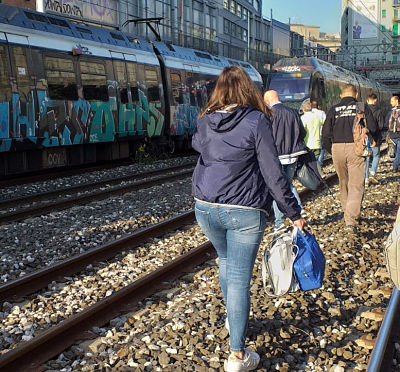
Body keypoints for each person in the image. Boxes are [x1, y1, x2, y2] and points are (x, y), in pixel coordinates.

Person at [192, 66, 306, 372]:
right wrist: (294, 213)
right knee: (240, 277)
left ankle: (233, 318)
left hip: (205, 206)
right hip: (243, 210)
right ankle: (238, 356)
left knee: (226, 262)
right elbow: (272, 172)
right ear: (248, 89)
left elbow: (198, 147)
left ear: (219, 90)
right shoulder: (256, 121)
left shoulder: (205, 119)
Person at [321, 84, 378, 235]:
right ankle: (350, 220)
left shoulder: (333, 109)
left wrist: (332, 150)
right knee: (356, 185)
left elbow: (325, 133)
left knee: (343, 183)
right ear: (356, 94)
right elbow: (373, 127)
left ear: (341, 95)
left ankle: (348, 213)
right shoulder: (361, 107)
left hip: (337, 148)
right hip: (356, 148)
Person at [263, 89, 308, 231]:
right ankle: (298, 210)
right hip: (292, 156)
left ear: (267, 101)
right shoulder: (293, 112)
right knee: (287, 185)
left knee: (278, 188)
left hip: (276, 157)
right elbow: (302, 132)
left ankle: (279, 221)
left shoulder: (268, 115)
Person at [365, 93, 384, 186]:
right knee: (376, 155)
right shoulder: (379, 111)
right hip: (376, 137)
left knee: (366, 157)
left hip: (365, 138)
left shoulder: (363, 110)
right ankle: (372, 173)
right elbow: (381, 125)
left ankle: (366, 178)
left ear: (367, 100)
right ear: (375, 100)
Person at [301, 101, 325, 166]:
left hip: (307, 144)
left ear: (303, 109)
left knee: (309, 164)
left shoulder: (303, 118)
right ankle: (318, 174)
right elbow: (324, 124)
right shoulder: (317, 117)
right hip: (317, 143)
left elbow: (301, 130)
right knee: (316, 164)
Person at [311, 100, 326, 166]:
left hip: (311, 134)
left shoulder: (309, 113)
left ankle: (313, 162)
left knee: (312, 149)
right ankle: (319, 162)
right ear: (318, 106)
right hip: (320, 133)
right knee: (322, 148)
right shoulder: (321, 113)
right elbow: (325, 122)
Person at [388, 95, 400, 172]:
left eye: (392, 101)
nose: (390, 103)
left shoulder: (391, 111)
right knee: (397, 152)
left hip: (394, 134)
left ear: (397, 101)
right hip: (395, 134)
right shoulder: (393, 111)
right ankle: (396, 165)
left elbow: (388, 122)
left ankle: (396, 166)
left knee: (398, 151)